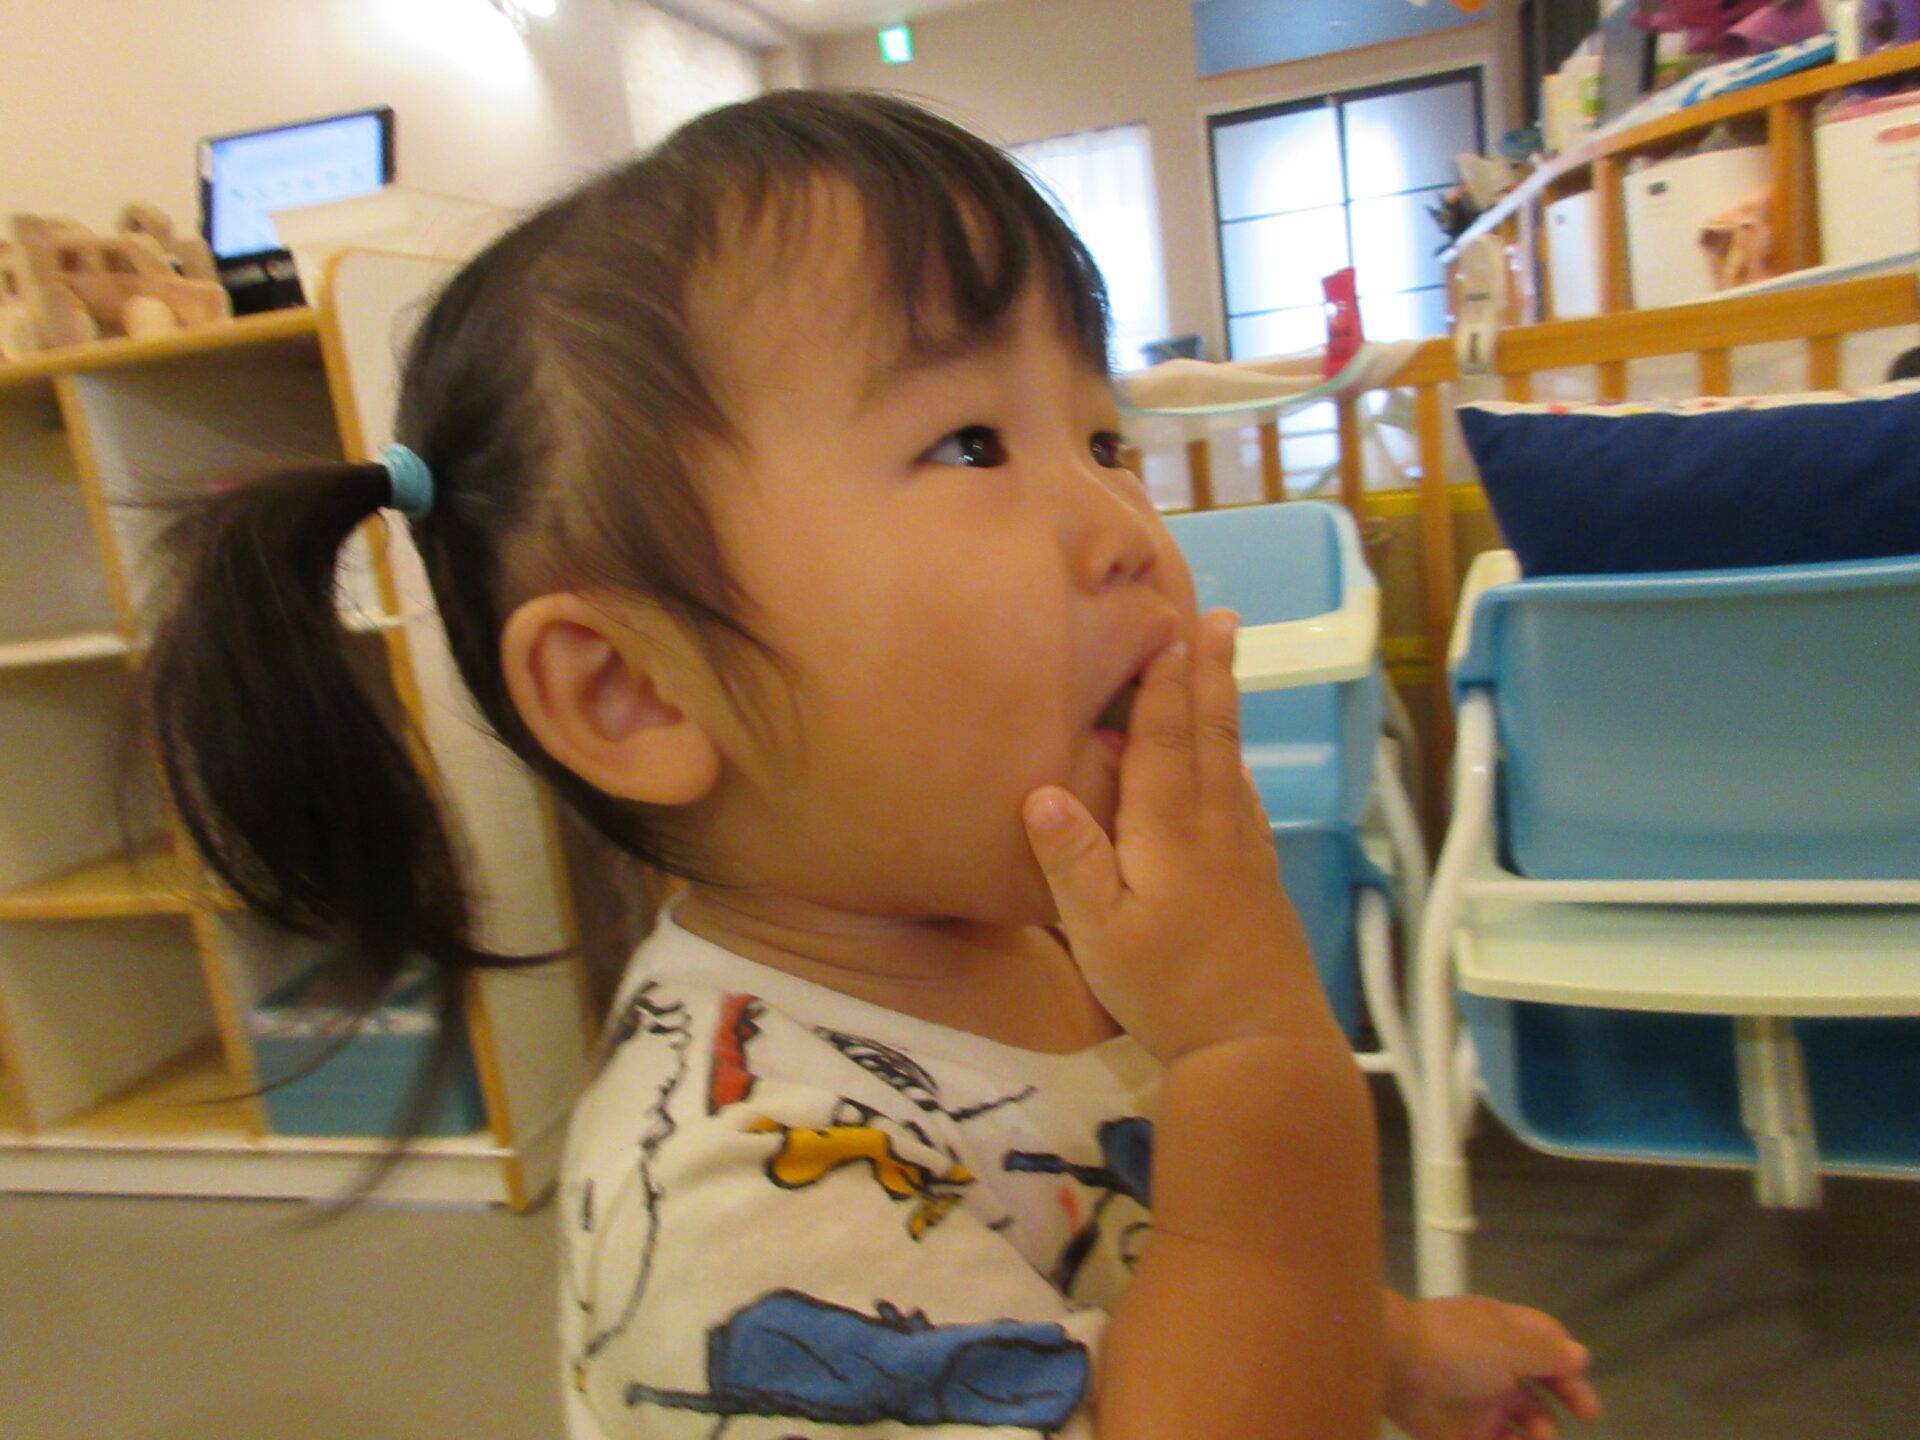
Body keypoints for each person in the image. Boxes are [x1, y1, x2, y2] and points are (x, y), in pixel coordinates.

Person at [145, 90, 1601, 1440]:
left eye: (1106, 439)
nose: (1126, 527)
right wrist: (1259, 1058)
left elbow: (1154, 1248)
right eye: (971, 443)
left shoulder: (1039, 931)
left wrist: (1385, 1345)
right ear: (635, 692)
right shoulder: (748, 1197)